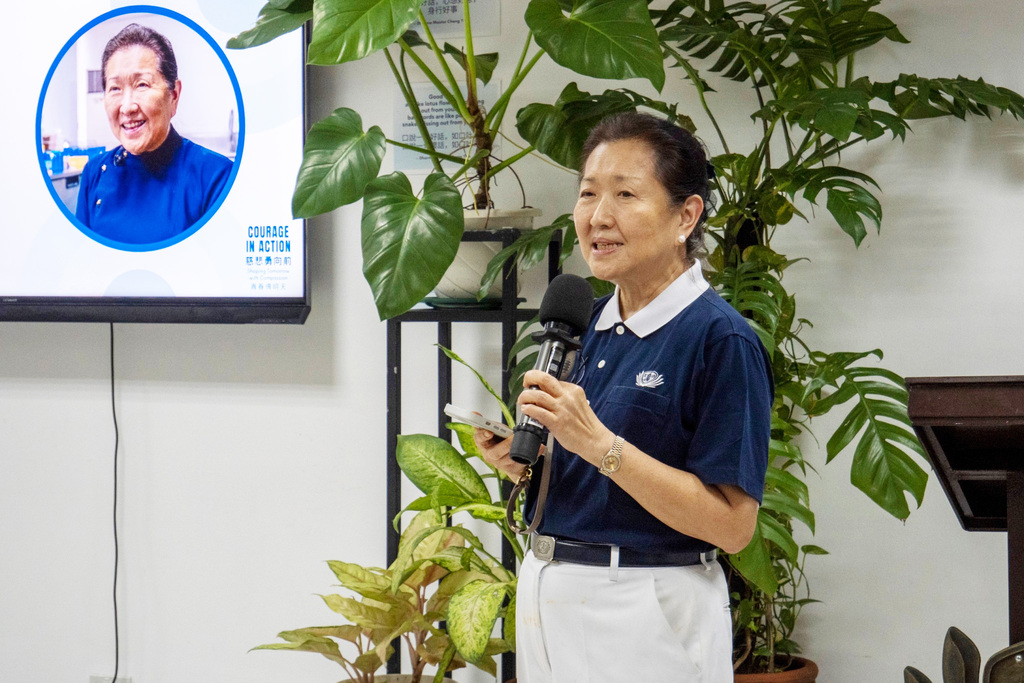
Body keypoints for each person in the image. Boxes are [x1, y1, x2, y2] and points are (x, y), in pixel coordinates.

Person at [474, 112, 773, 682]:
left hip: (645, 609)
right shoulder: (588, 323)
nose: (597, 217)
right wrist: (527, 464)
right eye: (588, 194)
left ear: (686, 215)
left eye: (625, 195)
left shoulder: (719, 338)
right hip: (551, 596)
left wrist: (598, 444)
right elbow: (604, 483)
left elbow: (734, 526)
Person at [75, 23, 233, 244]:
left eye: (142, 85)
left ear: (174, 95)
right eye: (115, 88)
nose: (127, 107)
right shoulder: (94, 173)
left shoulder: (215, 177)